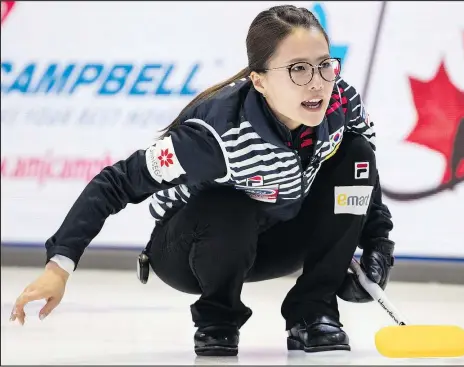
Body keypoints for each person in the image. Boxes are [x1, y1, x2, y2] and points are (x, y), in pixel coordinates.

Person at [10, 4, 395, 357]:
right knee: (230, 205)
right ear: (259, 81)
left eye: (325, 65)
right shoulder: (214, 135)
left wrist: (377, 244)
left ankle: (312, 313)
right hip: (189, 253)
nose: (317, 83)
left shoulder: (341, 102)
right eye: (298, 69)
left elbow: (363, 174)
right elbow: (116, 183)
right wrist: (58, 268)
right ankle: (217, 319)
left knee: (356, 152)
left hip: (277, 236)